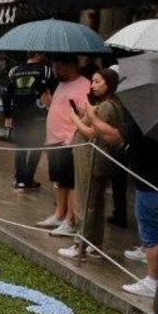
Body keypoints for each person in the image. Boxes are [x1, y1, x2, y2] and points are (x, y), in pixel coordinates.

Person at [80, 102, 158, 298]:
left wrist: (91, 116)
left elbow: (112, 136)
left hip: (152, 184)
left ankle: (153, 280)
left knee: (153, 235)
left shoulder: (147, 113)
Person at [62, 68, 124, 262]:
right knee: (95, 202)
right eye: (93, 81)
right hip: (91, 158)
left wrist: (75, 120)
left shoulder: (107, 106)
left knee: (85, 201)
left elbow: (92, 133)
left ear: (109, 83)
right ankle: (94, 244)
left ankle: (80, 243)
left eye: (97, 81)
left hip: (92, 160)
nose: (93, 85)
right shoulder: (105, 105)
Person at [38, 58, 91, 238]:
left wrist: (72, 136)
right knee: (59, 181)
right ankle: (59, 214)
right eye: (55, 67)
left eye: (59, 66)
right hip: (54, 140)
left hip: (68, 141)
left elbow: (86, 113)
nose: (56, 70)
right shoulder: (61, 84)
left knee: (70, 182)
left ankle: (70, 220)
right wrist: (48, 103)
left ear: (71, 66)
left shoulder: (83, 85)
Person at [4, 52, 51, 191]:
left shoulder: (15, 71)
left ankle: (19, 181)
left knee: (21, 147)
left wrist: (8, 115)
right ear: (38, 53)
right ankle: (28, 178)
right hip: (38, 117)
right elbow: (46, 92)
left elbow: (6, 95)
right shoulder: (45, 70)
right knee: (36, 148)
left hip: (19, 116)